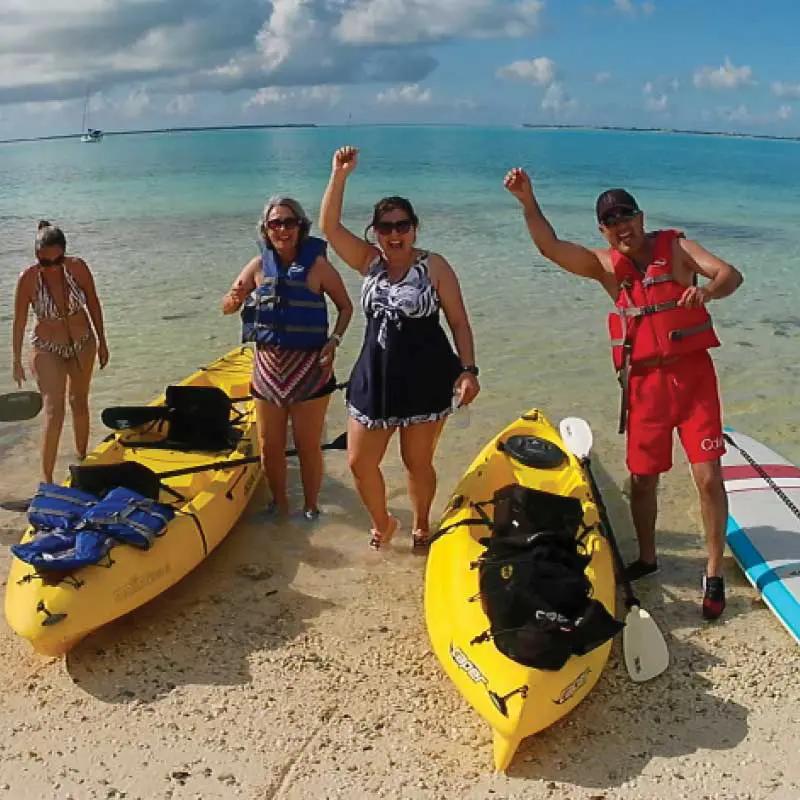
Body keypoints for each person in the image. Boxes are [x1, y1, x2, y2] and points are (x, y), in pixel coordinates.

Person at [503, 168, 743, 620]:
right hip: (645, 386)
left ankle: (712, 574)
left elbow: (730, 274)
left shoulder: (677, 248)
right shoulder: (604, 266)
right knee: (642, 480)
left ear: (640, 217)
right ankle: (648, 560)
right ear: (604, 231)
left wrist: (707, 292)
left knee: (709, 478)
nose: (621, 227)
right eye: (611, 222)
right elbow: (551, 248)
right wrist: (527, 201)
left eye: (626, 216)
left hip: (693, 380)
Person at [319, 145, 480, 550]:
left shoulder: (435, 267)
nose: (394, 234)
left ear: (414, 228)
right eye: (386, 227)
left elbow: (458, 321)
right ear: (375, 232)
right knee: (359, 462)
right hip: (375, 376)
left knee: (417, 462)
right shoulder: (369, 262)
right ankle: (383, 522)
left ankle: (422, 525)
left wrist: (468, 370)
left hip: (425, 376)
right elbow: (330, 227)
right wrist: (340, 175)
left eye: (402, 225)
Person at [222, 196, 353, 520]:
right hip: (267, 369)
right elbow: (228, 305)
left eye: (288, 222)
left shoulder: (318, 266)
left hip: (310, 368)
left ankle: (310, 507)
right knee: (270, 445)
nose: (282, 229)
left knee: (308, 446)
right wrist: (233, 299)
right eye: (275, 223)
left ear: (301, 227)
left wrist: (334, 340)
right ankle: (279, 504)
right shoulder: (256, 266)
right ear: (266, 230)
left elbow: (346, 306)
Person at [12, 220, 110, 484]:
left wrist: (102, 341)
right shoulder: (28, 279)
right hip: (47, 347)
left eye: (58, 260)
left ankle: (82, 461)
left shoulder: (78, 268)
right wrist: (16, 360)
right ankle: (47, 480)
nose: (53, 268)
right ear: (37, 257)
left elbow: (93, 303)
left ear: (65, 254)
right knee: (54, 410)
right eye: (46, 263)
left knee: (79, 402)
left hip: (82, 342)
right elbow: (20, 320)